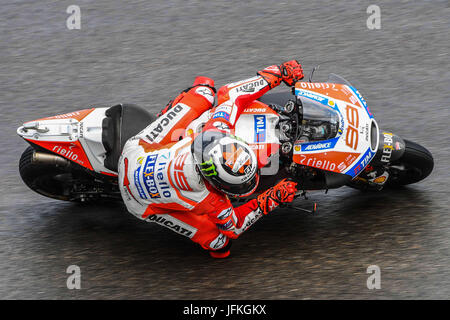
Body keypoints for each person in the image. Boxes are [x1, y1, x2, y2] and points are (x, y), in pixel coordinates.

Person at [118, 60, 304, 258]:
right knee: (219, 245)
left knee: (204, 91)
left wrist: (277, 74)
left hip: (136, 151)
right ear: (215, 183)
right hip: (139, 202)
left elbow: (232, 96)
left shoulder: (215, 133)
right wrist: (272, 198)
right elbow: (234, 228)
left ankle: (168, 114)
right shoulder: (210, 200)